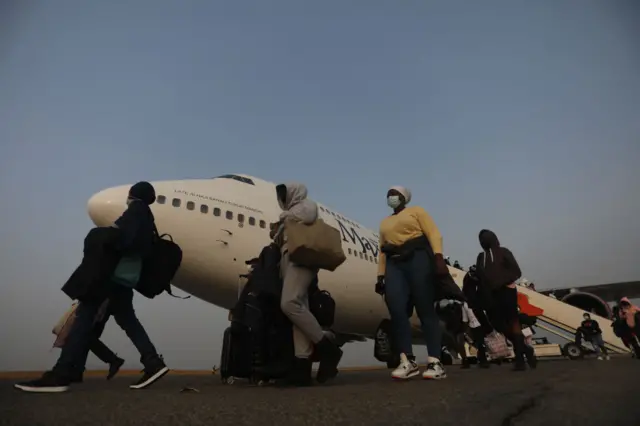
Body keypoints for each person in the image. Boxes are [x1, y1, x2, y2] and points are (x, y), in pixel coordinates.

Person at [15, 182, 168, 393]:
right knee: (127, 320)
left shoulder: (136, 210)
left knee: (84, 318)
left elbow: (126, 240)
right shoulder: (147, 215)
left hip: (110, 276)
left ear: (133, 194)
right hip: (121, 280)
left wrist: (101, 234)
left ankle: (62, 373)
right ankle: (152, 362)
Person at [272, 182, 343, 386]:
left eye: (285, 193)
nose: (282, 198)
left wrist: (285, 219)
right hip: (289, 259)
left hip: (301, 259)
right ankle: (302, 367)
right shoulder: (289, 216)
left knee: (289, 303)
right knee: (299, 310)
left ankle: (327, 348)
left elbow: (308, 216)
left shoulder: (305, 205)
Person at [375, 186, 448, 380]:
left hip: (417, 258)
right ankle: (407, 360)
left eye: (395, 194)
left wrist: (439, 258)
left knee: (425, 308)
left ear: (404, 198)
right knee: (397, 309)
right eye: (388, 194)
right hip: (394, 263)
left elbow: (433, 233)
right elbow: (382, 250)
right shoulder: (385, 222)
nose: (391, 197)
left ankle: (435, 361)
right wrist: (380, 275)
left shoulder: (416, 211)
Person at [474, 229, 536, 371]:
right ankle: (525, 349)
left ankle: (520, 359)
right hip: (490, 295)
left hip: (507, 291)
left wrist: (501, 282)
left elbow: (516, 271)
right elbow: (480, 276)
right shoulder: (481, 257)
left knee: (513, 321)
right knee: (498, 325)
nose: (483, 240)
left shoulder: (504, 252)